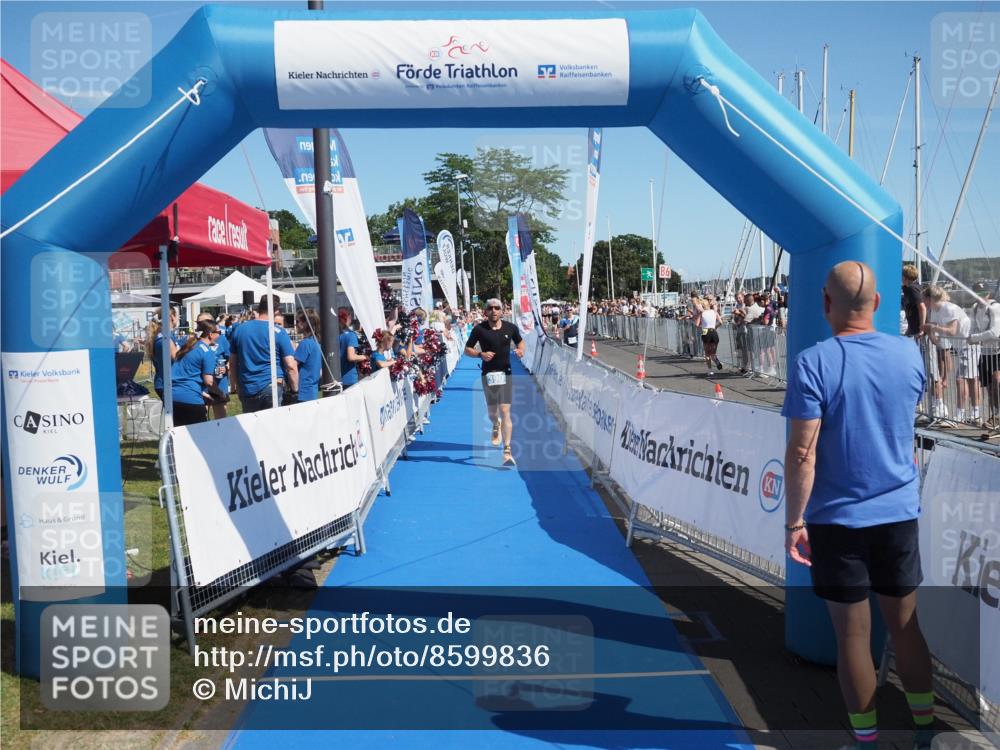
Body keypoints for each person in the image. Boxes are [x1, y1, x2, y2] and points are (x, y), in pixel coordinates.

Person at [783, 261, 934, 750]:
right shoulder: (910, 356)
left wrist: (793, 521)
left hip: (837, 518)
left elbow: (803, 453)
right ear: (880, 304)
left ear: (825, 303)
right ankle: (924, 733)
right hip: (898, 513)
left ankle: (866, 741)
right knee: (905, 627)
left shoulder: (814, 361)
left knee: (853, 637)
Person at [464, 297, 524, 466]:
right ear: (486, 311)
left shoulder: (510, 328)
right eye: (490, 308)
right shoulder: (479, 329)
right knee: (493, 413)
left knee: (505, 410)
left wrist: (520, 350)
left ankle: (507, 451)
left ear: (502, 310)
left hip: (506, 373)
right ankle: (495, 424)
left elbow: (520, 342)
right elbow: (467, 349)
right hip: (488, 374)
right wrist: (480, 354)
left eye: (497, 308)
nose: (494, 311)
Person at [230, 295, 299, 412]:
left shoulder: (240, 330)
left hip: (248, 387)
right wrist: (295, 389)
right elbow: (291, 365)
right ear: (276, 311)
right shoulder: (278, 332)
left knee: (251, 428)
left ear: (259, 307)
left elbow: (232, 363)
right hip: (271, 386)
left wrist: (236, 386)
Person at [921, 285, 969, 419]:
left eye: (924, 298)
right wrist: (930, 332)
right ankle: (962, 415)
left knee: (961, 379)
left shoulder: (948, 308)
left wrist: (932, 327)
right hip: (958, 346)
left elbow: (952, 331)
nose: (923, 301)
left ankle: (961, 416)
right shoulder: (934, 310)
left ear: (930, 298)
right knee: (963, 379)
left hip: (969, 343)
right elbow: (937, 338)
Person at [170, 321, 221, 427]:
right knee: (199, 437)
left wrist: (203, 393)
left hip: (173, 397)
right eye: (219, 332)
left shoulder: (189, 347)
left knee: (180, 436)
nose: (221, 334)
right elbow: (209, 382)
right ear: (210, 334)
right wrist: (220, 394)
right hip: (191, 400)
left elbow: (184, 375)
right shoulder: (207, 352)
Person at [969, 287, 1000, 429]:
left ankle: (997, 416)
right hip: (985, 352)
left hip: (997, 350)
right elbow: (973, 328)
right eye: (977, 293)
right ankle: (996, 415)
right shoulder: (975, 308)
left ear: (989, 293)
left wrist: (974, 338)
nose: (980, 296)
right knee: (989, 388)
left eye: (983, 293)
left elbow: (995, 332)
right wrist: (973, 336)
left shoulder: (995, 307)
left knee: (996, 383)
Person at [196, 312, 230, 419]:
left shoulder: (221, 339)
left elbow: (231, 360)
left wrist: (226, 368)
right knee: (201, 421)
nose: (203, 325)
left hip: (219, 383)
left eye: (206, 322)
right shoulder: (195, 340)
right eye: (200, 323)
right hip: (201, 385)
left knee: (221, 421)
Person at [294, 308, 323, 402]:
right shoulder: (316, 343)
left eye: (297, 321)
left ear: (305, 323)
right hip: (312, 390)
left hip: (303, 392)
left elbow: (292, 365)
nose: (296, 324)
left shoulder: (305, 343)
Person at [337, 307, 368, 388]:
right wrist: (366, 356)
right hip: (349, 378)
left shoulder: (335, 334)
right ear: (348, 318)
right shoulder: (351, 335)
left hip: (336, 378)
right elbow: (351, 357)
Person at [697, 296, 723, 375]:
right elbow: (721, 322)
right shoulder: (714, 312)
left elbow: (697, 324)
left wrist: (700, 319)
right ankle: (716, 360)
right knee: (713, 352)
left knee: (707, 353)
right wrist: (715, 327)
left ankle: (710, 370)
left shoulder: (702, 313)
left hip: (705, 332)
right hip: (713, 331)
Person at [901, 264, 925, 338]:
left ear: (905, 277)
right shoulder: (907, 288)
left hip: (918, 330)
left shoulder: (912, 289)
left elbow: (922, 307)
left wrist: (922, 328)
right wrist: (909, 329)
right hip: (912, 329)